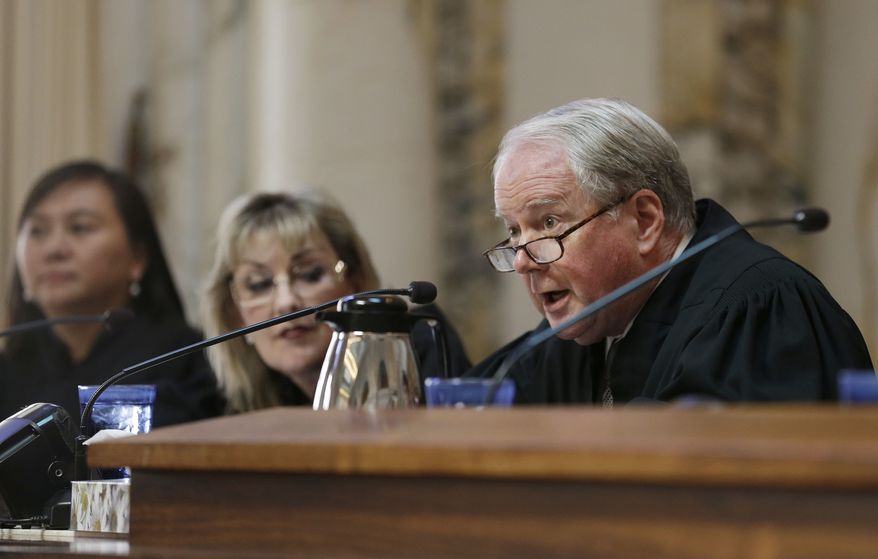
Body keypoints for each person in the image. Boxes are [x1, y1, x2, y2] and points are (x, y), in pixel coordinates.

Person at [467, 97, 872, 405]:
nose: (522, 260)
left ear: (644, 220)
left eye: (550, 223)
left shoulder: (760, 310)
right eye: (515, 232)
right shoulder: (588, 321)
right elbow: (460, 405)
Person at [202, 191, 470, 413]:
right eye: (259, 284)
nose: (286, 303)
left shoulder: (420, 348)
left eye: (310, 274)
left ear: (356, 283)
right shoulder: (234, 406)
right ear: (236, 314)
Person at [0, 160, 220, 426]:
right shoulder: (8, 370)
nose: (54, 249)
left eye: (80, 227)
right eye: (38, 231)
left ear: (137, 258)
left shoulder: (189, 362)